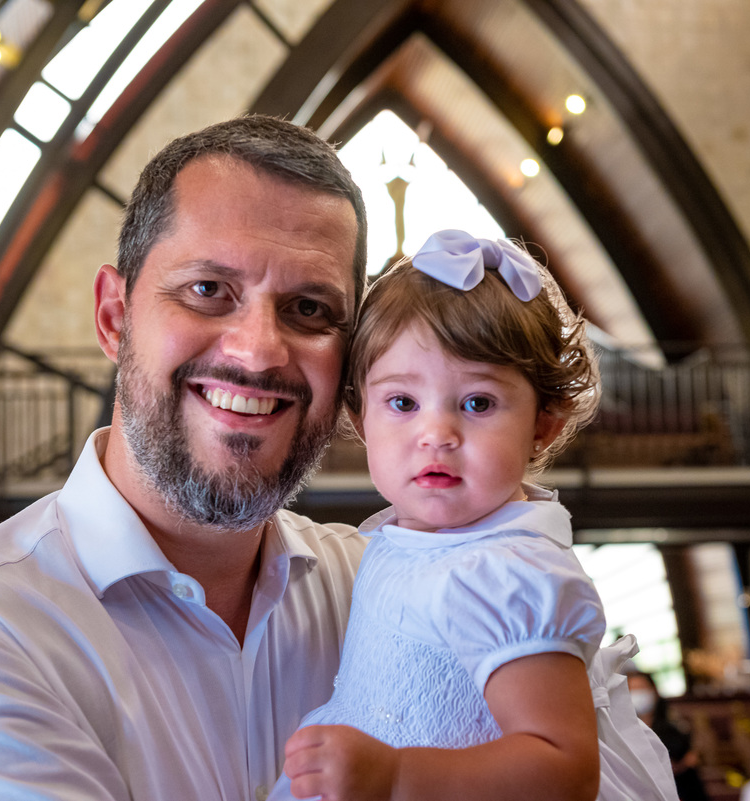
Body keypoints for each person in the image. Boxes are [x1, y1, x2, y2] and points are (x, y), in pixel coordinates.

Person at [0, 115, 372, 799]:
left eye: (308, 308)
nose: (257, 353)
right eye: (208, 290)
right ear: (114, 317)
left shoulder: (380, 590)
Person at [269, 230, 677, 801]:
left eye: (477, 403)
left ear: (543, 425)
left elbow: (565, 768)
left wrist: (395, 776)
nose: (436, 433)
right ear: (361, 419)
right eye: (403, 402)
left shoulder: (510, 573)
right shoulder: (405, 540)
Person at [627, 670, 710, 801]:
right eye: (633, 690)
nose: (638, 694)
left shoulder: (675, 725)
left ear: (654, 691)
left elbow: (691, 757)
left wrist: (681, 764)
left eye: (642, 688)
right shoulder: (622, 732)